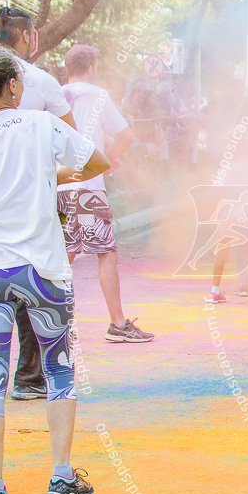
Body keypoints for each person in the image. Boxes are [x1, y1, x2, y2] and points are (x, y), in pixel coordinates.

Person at [0, 48, 111, 494]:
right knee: (58, 370)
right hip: (43, 270)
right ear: (13, 86)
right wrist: (51, 177)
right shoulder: (40, 124)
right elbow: (96, 162)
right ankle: (61, 476)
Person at [0, 7, 79, 401]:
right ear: (27, 38)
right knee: (34, 279)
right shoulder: (37, 80)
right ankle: (29, 379)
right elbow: (75, 144)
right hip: (31, 208)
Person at [58, 44, 153, 342]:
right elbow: (126, 136)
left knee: (64, 254)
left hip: (60, 186)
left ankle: (56, 327)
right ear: (92, 67)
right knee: (106, 252)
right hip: (88, 188)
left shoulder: (56, 95)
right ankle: (118, 324)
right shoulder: (98, 96)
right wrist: (106, 162)